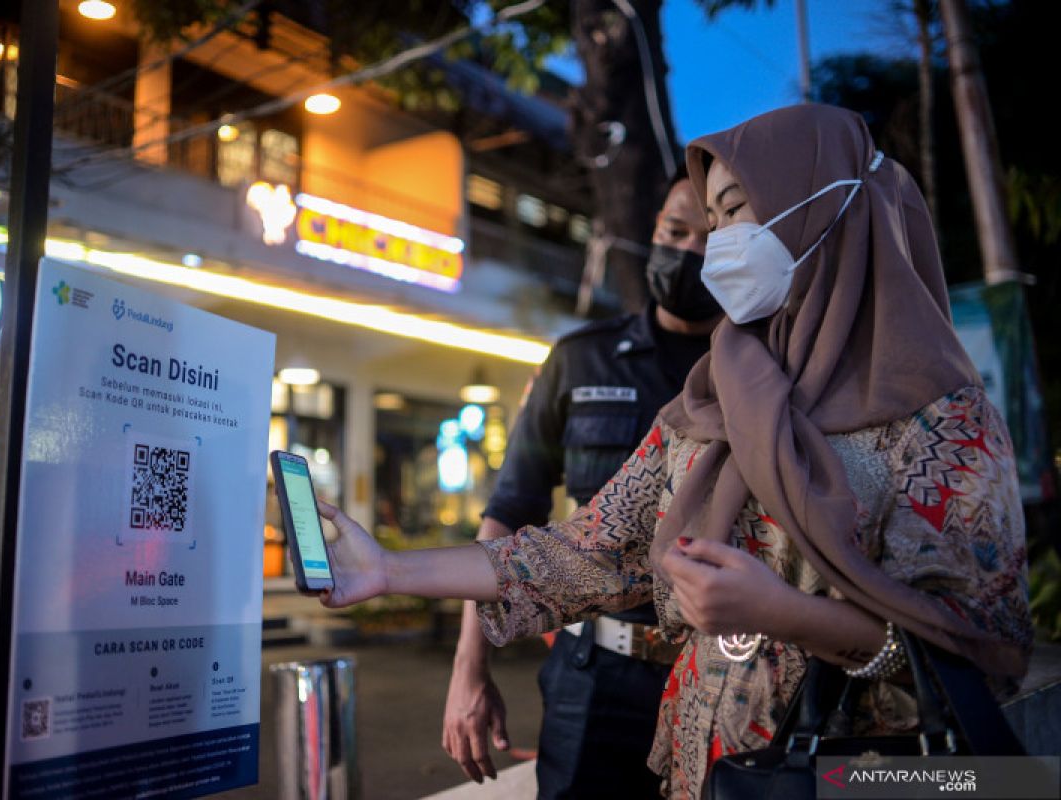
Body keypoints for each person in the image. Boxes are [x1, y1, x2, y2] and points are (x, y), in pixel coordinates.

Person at [315, 105, 1033, 797]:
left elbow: (982, 656)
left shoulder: (944, 422)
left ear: (822, 209)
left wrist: (785, 614)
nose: (718, 241)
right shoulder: (712, 398)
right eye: (707, 218)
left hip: (854, 776)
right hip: (706, 773)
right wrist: (387, 569)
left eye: (733, 211)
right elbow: (589, 549)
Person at [442, 173, 719, 796]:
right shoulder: (580, 359)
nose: (690, 253)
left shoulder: (756, 373)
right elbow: (509, 512)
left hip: (719, 674)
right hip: (595, 677)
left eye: (712, 237)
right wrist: (469, 670)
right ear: (653, 233)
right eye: (676, 232)